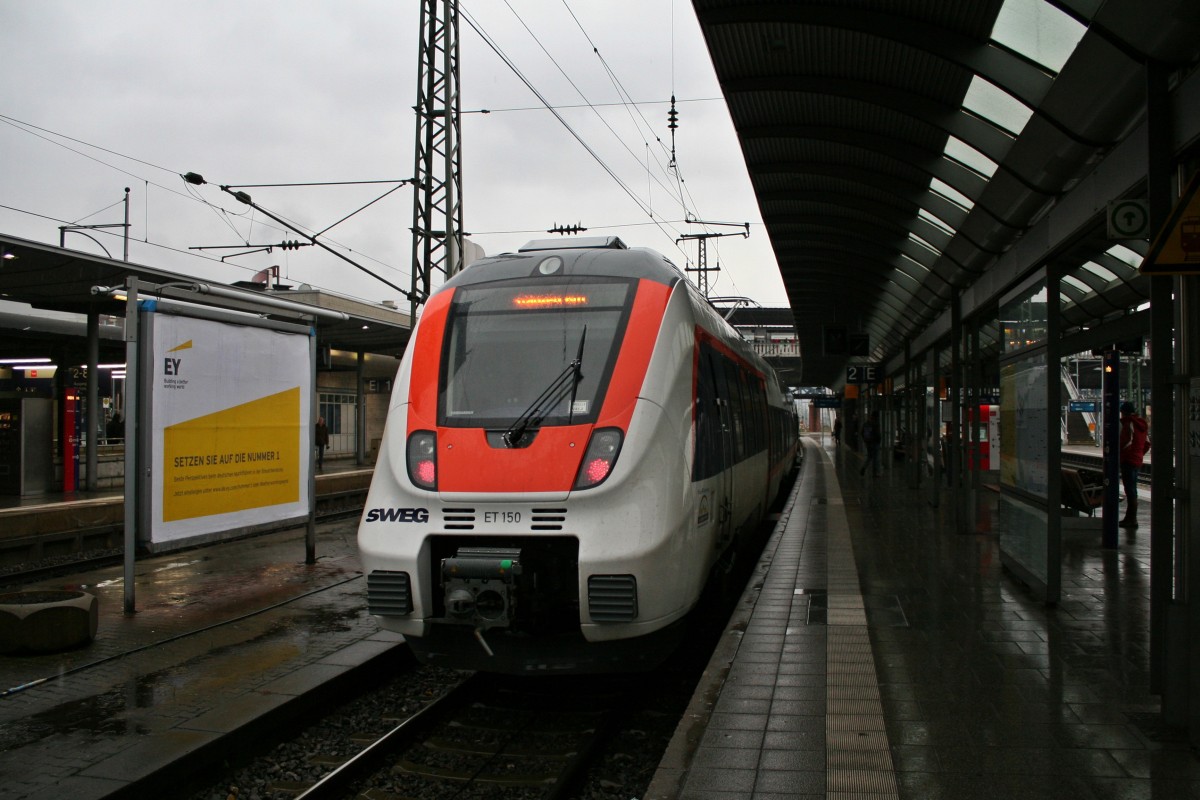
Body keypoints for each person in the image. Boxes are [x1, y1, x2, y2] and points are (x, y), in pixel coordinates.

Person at [1118, 401, 1149, 528]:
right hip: (1137, 460)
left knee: (1130, 490)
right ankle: (1130, 518)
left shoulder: (1129, 423)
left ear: (1124, 412)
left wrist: (1120, 455)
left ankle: (1131, 520)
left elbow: (1126, 442)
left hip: (1128, 460)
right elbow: (1147, 443)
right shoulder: (1141, 424)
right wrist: (1140, 454)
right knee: (1132, 490)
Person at [860, 412, 881, 476]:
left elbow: (862, 433)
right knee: (875, 458)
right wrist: (879, 440)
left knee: (869, 457)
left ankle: (864, 467)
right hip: (875, 443)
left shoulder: (866, 424)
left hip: (868, 444)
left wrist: (865, 441)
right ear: (876, 417)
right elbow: (877, 434)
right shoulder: (875, 424)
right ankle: (875, 473)